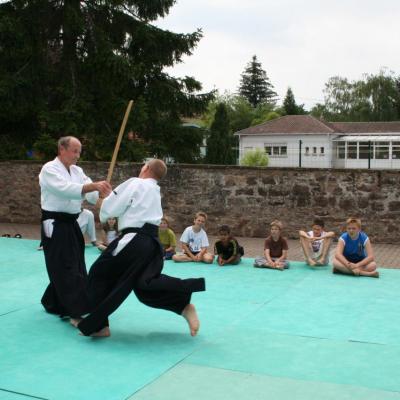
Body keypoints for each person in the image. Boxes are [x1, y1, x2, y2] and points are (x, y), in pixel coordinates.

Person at [77, 159, 206, 337]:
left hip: (134, 240)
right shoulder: (155, 190)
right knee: (143, 284)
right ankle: (183, 306)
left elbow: (110, 210)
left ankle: (99, 326)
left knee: (99, 272)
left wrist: (105, 197)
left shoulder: (136, 182)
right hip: (152, 244)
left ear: (145, 168)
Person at [39, 136, 111, 325]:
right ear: (62, 149)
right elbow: (65, 189)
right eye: (74, 150)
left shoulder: (78, 171)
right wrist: (92, 186)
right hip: (54, 223)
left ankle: (54, 301)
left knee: (76, 264)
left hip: (72, 223)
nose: (78, 155)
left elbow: (91, 193)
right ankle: (75, 312)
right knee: (65, 266)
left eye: (79, 151)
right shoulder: (49, 169)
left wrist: (103, 194)